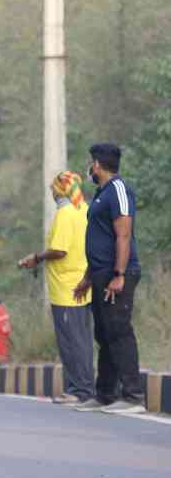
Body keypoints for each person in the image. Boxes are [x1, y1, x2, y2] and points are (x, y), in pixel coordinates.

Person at [73, 143, 145, 414]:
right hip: (101, 273)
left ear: (98, 165)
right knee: (103, 332)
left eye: (91, 163)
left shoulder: (119, 190)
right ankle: (104, 394)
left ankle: (133, 396)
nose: (89, 168)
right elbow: (99, 238)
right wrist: (88, 277)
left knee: (119, 331)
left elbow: (123, 234)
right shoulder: (101, 193)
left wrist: (119, 274)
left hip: (119, 273)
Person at [18, 171, 93, 405]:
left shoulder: (65, 213)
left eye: (53, 188)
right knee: (83, 339)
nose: (51, 192)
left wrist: (36, 257)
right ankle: (85, 387)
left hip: (67, 288)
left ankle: (78, 390)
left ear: (60, 190)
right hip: (83, 282)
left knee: (71, 340)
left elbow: (60, 250)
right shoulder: (85, 209)